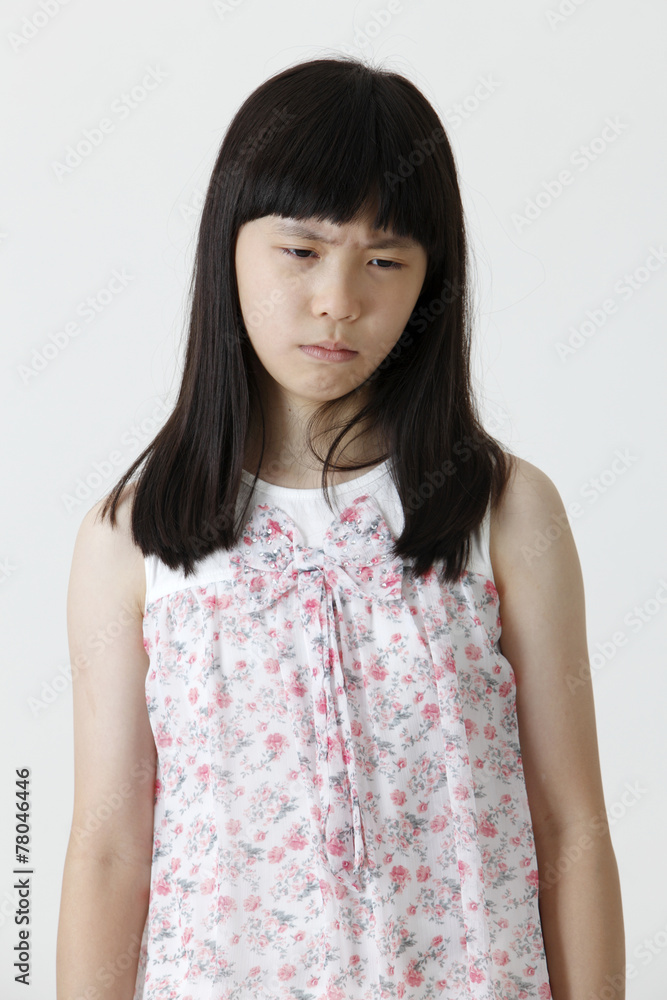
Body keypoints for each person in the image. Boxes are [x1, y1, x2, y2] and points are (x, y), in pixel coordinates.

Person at [56, 55, 625, 1000]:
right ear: (228, 247)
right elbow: (107, 847)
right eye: (301, 251)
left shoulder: (501, 510)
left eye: (385, 261)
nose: (338, 300)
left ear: (431, 281)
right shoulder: (132, 539)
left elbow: (571, 827)